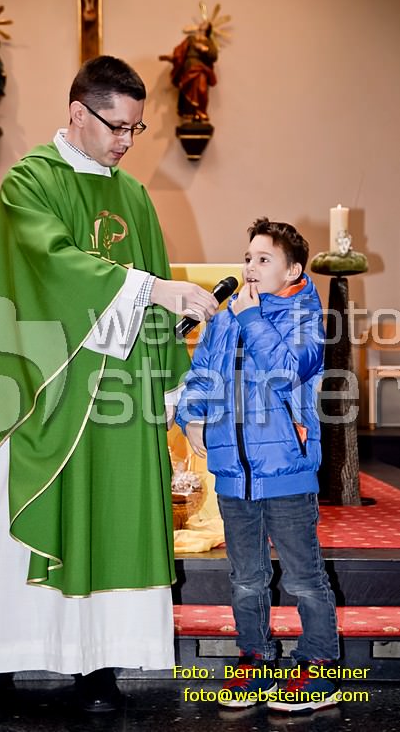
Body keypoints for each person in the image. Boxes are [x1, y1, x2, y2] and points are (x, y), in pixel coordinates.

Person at [0, 55, 218, 724]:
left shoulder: (133, 197)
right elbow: (50, 266)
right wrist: (150, 289)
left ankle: (97, 664)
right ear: (78, 113)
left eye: (136, 128)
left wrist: (175, 382)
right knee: (27, 523)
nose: (127, 141)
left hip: (117, 400)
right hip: (46, 390)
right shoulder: (29, 182)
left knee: (109, 523)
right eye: (116, 127)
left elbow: (155, 298)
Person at [176, 218, 341, 714]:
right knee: (246, 578)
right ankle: (256, 658)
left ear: (292, 270)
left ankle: (320, 665)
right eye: (248, 257)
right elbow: (202, 372)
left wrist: (251, 318)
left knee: (303, 577)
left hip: (285, 469)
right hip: (233, 471)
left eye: (264, 259)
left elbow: (288, 371)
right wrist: (192, 416)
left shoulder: (305, 317)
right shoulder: (227, 316)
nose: (250, 267)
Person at [159, 20, 218, 122]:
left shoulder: (208, 42)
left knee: (202, 89)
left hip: (201, 68)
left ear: (208, 28)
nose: (202, 23)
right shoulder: (191, 39)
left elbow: (214, 56)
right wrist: (172, 57)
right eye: (202, 23)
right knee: (187, 88)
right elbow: (180, 51)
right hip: (188, 67)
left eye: (205, 24)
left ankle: (200, 111)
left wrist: (204, 49)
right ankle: (189, 113)